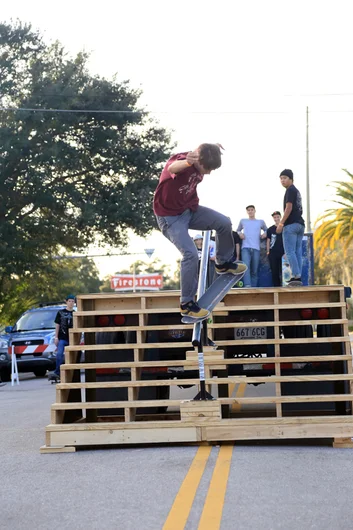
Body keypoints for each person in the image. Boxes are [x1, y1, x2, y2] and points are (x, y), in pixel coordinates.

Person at [153, 143, 247, 320]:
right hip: (170, 218)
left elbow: (205, 149)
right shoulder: (182, 162)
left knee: (224, 222)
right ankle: (187, 304)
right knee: (190, 254)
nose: (209, 172)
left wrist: (216, 147)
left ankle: (223, 262)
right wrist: (187, 163)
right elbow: (172, 167)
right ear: (197, 161)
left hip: (189, 210)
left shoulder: (202, 155)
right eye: (208, 168)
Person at [276, 169, 305, 287]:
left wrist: (281, 223)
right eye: (281, 178)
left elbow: (288, 208)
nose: (282, 180)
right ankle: (298, 276)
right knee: (297, 251)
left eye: (285, 178)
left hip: (291, 225)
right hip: (300, 224)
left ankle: (296, 276)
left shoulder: (290, 191)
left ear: (291, 179)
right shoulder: (296, 191)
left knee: (289, 252)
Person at [237, 205, 267, 287]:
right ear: (247, 212)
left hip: (256, 248)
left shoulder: (260, 222)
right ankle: (247, 285)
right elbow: (238, 230)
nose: (250, 211)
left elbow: (267, 230)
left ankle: (254, 288)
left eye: (252, 210)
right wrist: (240, 234)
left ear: (255, 211)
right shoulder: (243, 221)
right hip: (245, 248)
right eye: (248, 210)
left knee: (254, 270)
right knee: (246, 268)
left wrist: (265, 234)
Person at [48, 294, 76, 382]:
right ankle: (57, 372)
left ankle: (72, 371)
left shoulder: (75, 313)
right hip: (62, 337)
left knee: (72, 355)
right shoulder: (60, 312)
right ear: (66, 302)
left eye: (72, 301)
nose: (71, 303)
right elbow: (57, 325)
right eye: (69, 301)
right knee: (59, 354)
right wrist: (56, 337)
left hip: (72, 338)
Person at [266, 211, 285, 286]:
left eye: (277, 217)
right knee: (274, 271)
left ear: (280, 217)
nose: (276, 218)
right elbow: (268, 240)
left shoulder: (284, 228)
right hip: (273, 252)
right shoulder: (270, 229)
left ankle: (284, 286)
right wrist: (268, 251)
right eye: (274, 217)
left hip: (283, 252)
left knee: (284, 270)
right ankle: (276, 287)